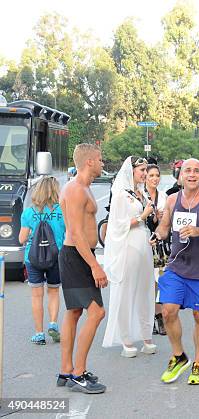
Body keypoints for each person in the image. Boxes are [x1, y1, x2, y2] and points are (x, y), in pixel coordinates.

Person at [152, 158, 199, 385]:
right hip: (176, 265)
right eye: (188, 170)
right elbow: (165, 228)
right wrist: (156, 234)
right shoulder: (173, 200)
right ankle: (179, 356)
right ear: (180, 175)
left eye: (197, 170)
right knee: (168, 311)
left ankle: (197, 363)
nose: (192, 174)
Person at [57, 143, 107, 394]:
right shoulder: (75, 189)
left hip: (79, 255)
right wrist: (95, 266)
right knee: (97, 313)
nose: (102, 163)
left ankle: (66, 370)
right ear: (89, 162)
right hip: (76, 256)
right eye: (99, 159)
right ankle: (78, 373)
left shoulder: (84, 188)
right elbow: (76, 234)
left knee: (75, 312)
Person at [102, 156, 156, 357]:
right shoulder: (120, 195)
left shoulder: (140, 193)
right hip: (128, 245)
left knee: (145, 288)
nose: (144, 173)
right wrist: (143, 215)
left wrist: (152, 215)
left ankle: (146, 335)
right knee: (127, 291)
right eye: (141, 170)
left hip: (143, 243)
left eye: (145, 169)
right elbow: (117, 224)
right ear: (131, 171)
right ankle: (125, 338)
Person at [19, 177, 65, 345]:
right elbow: (68, 234)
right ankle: (53, 323)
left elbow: (21, 238)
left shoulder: (29, 212)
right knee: (53, 292)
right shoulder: (62, 211)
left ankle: (39, 334)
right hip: (56, 256)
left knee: (36, 296)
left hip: (33, 259)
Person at [144, 164, 168, 335]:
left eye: (157, 175)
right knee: (145, 283)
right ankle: (146, 318)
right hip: (142, 242)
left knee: (159, 282)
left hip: (160, 245)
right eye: (151, 175)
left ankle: (159, 317)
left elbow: (167, 221)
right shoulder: (139, 195)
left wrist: (161, 218)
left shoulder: (164, 197)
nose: (154, 178)